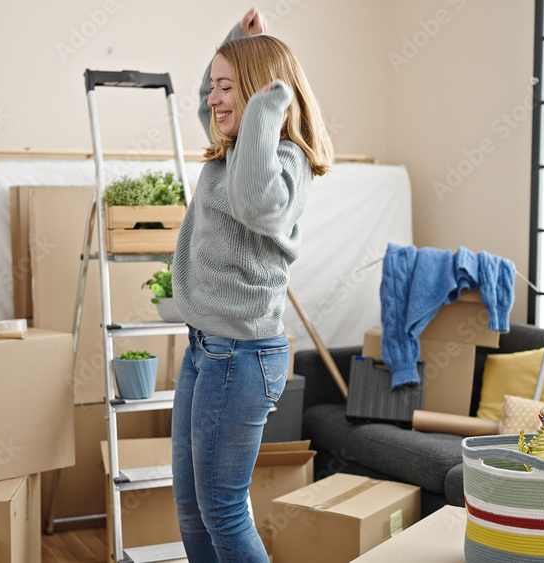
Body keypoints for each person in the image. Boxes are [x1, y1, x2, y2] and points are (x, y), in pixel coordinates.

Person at [170, 8, 334, 561]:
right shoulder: (233, 146)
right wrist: (236, 43)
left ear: (263, 98)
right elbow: (205, 100)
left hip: (240, 356)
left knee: (221, 508)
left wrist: (267, 109)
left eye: (226, 89)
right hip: (205, 349)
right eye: (213, 87)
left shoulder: (282, 161)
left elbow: (254, 203)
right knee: (192, 506)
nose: (212, 100)